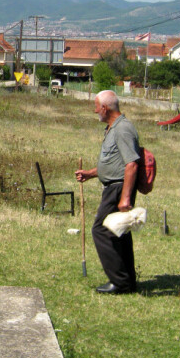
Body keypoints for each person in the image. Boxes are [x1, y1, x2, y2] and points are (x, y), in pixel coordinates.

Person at [75, 90, 141, 294]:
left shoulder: (123, 129)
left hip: (118, 188)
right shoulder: (114, 127)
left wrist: (125, 198)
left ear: (104, 108)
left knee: (101, 230)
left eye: (96, 106)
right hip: (114, 187)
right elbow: (115, 162)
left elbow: (131, 164)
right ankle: (127, 280)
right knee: (118, 232)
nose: (95, 111)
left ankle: (120, 282)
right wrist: (91, 173)